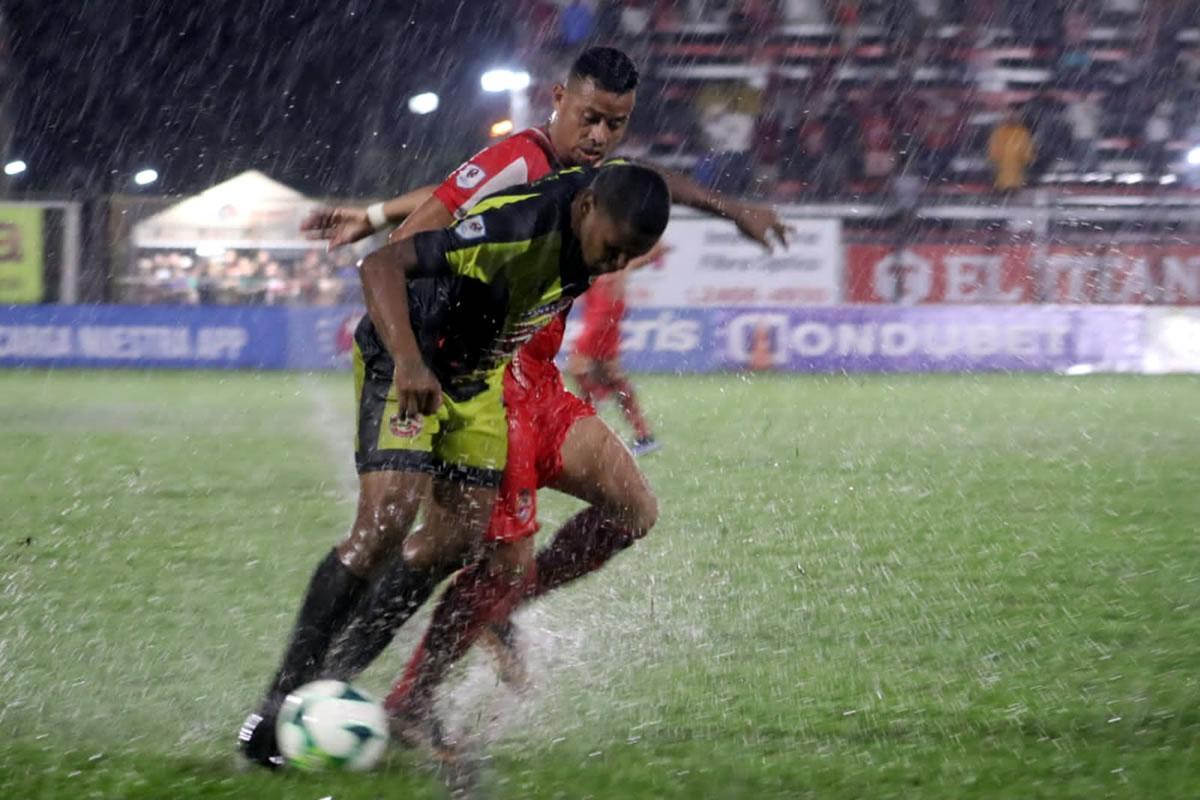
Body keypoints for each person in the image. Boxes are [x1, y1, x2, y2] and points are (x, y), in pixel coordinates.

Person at [251, 47, 787, 763]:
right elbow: (440, 220)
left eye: (615, 125)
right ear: (558, 98)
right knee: (421, 533)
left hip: (516, 371)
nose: (599, 135)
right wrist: (412, 331)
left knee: (605, 516)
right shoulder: (525, 163)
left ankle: (479, 619)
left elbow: (647, 181)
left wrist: (730, 209)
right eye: (590, 117)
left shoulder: (593, 187)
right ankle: (316, 695)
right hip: (464, 363)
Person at [238, 160, 670, 768]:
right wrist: (412, 362)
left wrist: (734, 208)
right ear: (586, 208)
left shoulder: (598, 205)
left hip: (479, 379)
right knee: (385, 526)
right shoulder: (520, 224)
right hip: (412, 359)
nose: (615, 264)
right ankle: (279, 704)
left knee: (454, 540)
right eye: (613, 248)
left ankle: (338, 682)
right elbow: (382, 264)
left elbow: (656, 183)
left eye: (631, 255)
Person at [568, 242, 664, 455]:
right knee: (611, 376)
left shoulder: (616, 258)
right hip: (602, 314)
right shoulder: (599, 255)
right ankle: (643, 434)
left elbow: (655, 249)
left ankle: (591, 419)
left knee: (580, 368)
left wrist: (625, 270)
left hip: (602, 317)